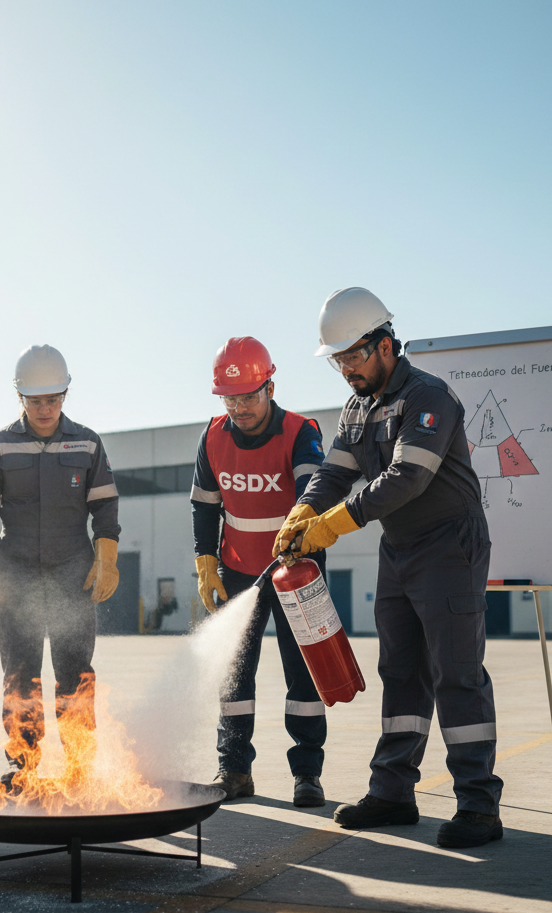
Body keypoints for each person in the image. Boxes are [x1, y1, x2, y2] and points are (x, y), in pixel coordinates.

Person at [274, 288, 504, 848]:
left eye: (353, 355)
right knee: (400, 670)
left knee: (457, 671)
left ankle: (478, 805)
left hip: (449, 544)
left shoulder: (429, 397)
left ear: (384, 344)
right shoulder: (358, 408)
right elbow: (334, 471)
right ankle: (394, 792)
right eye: (338, 359)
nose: (345, 369)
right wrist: (304, 508)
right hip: (400, 548)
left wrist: (330, 525)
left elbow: (408, 478)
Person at [0, 344, 120, 782]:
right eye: (36, 401)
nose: (45, 409)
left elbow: (106, 508)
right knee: (20, 674)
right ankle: (24, 766)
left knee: (74, 672)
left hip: (74, 573)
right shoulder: (0, 446)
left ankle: (78, 767)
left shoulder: (87, 443)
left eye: (52, 399)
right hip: (16, 576)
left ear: (65, 395)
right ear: (21, 398)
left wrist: (106, 558)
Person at [192, 336, 328, 807]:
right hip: (236, 571)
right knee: (234, 676)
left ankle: (307, 773)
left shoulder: (300, 431)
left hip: (297, 572)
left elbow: (314, 486)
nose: (240, 407)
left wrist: (303, 517)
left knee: (304, 675)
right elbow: (205, 506)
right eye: (230, 397)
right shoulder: (212, 436)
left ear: (270, 387)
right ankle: (233, 769)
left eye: (249, 395)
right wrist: (204, 560)